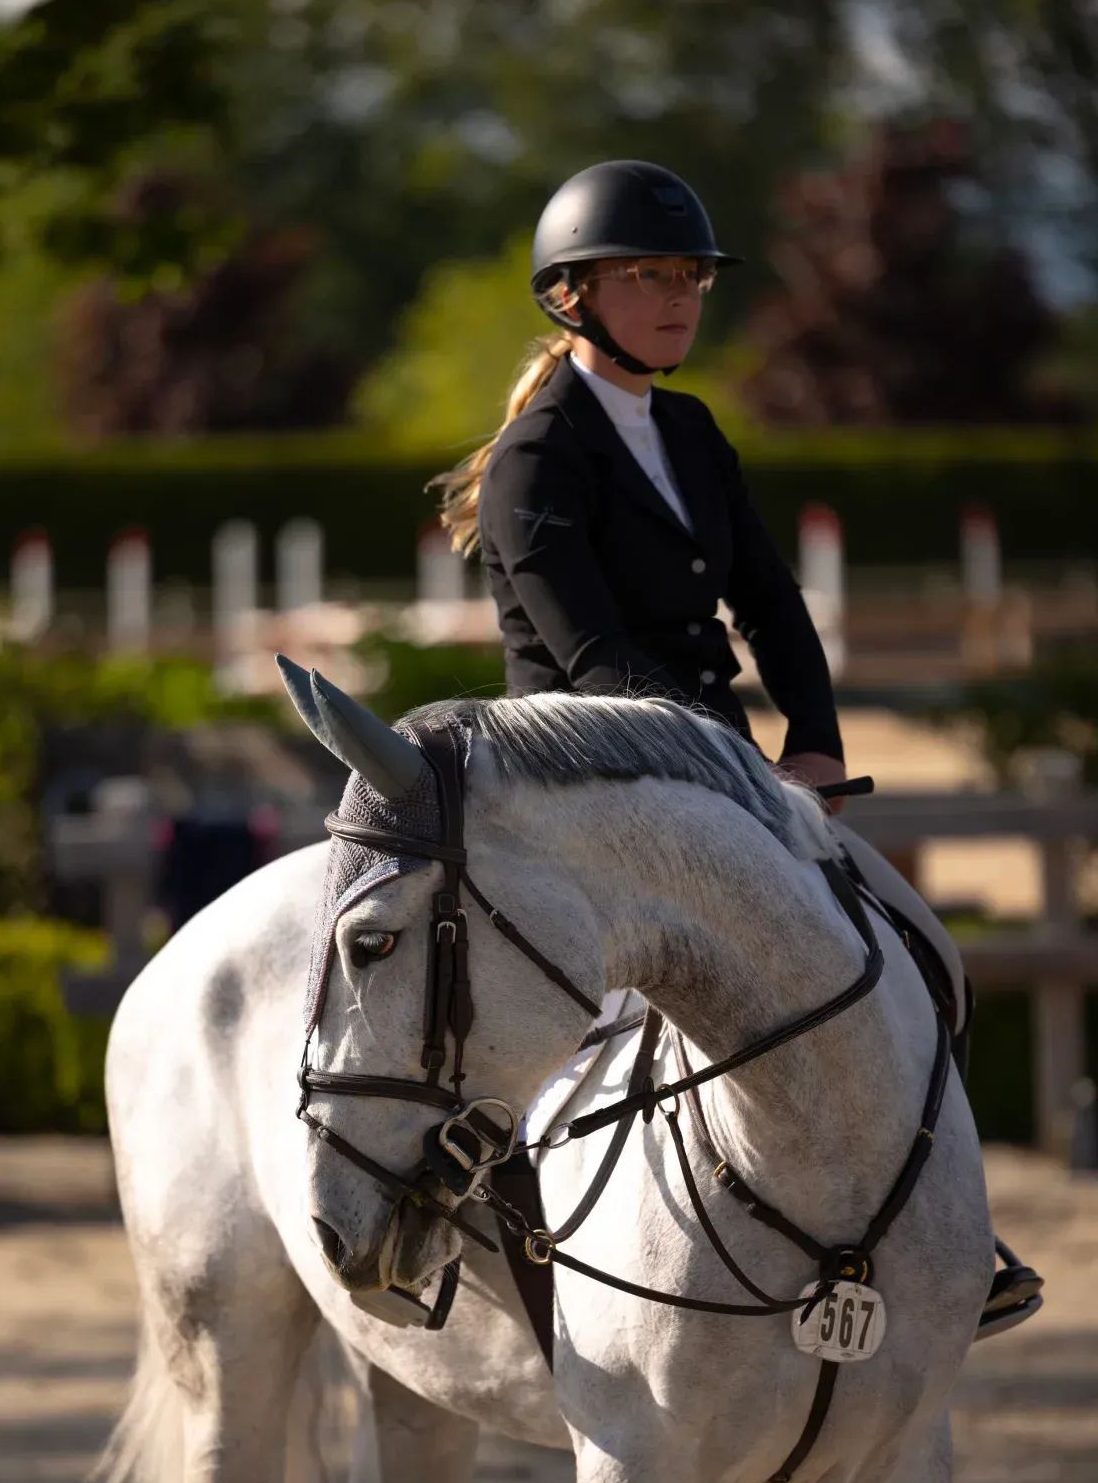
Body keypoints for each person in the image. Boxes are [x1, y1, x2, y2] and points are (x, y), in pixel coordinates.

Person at [431, 157, 1041, 1339]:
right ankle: (475, 1213)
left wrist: (811, 744)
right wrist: (742, 778)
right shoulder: (537, 459)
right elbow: (596, 656)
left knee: (917, 951)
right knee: (555, 1002)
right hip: (582, 778)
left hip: (725, 775)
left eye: (691, 277)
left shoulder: (695, 432)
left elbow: (771, 603)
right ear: (573, 295)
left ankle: (951, 1232)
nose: (678, 299)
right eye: (648, 276)